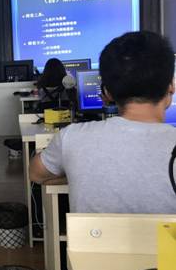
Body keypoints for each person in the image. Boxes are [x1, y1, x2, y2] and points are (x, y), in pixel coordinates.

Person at [30, 31, 176, 214]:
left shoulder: (72, 138)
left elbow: (35, 174)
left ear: (107, 92)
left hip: (92, 234)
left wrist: (75, 173)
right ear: (171, 86)